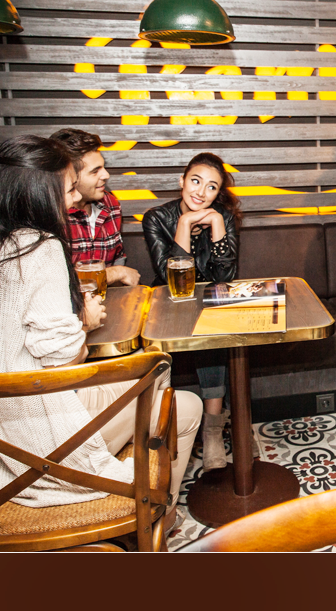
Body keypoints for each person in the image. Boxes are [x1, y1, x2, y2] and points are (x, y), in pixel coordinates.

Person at [0, 135, 201, 533]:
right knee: (182, 400)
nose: (76, 197)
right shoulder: (38, 249)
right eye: (68, 189)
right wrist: (85, 322)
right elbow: (63, 358)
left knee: (156, 373)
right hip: (42, 445)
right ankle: (153, 519)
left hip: (8, 432)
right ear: (37, 194)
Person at [142, 152, 241, 471]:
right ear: (181, 181)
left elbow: (225, 276)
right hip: (169, 302)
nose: (201, 192)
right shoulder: (156, 217)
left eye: (211, 187)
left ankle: (213, 430)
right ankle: (168, 428)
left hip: (210, 300)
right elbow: (169, 276)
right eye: (195, 181)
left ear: (218, 193)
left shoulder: (222, 217)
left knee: (215, 333)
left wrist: (217, 224)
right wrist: (184, 223)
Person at [50, 128, 140, 286]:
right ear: (69, 176)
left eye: (103, 167)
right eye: (95, 171)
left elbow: (118, 258)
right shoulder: (51, 214)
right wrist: (114, 273)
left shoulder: (110, 203)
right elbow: (51, 282)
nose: (106, 175)